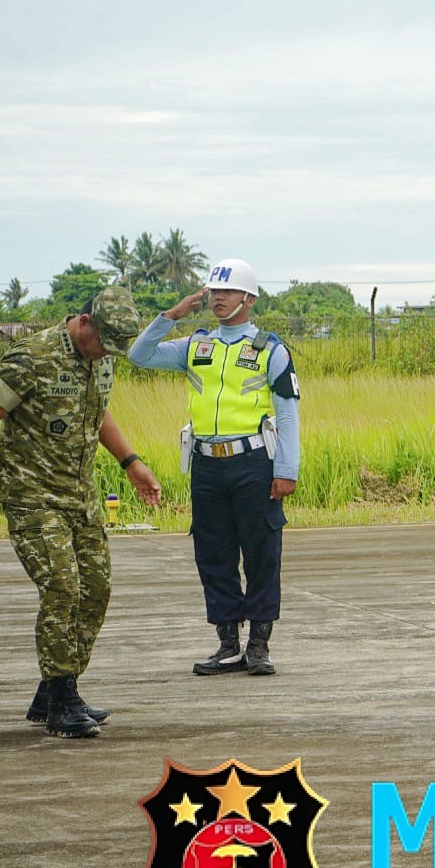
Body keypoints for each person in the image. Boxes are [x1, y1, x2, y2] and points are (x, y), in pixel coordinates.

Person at [0, 287, 160, 737]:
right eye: (103, 342)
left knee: (96, 589)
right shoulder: (31, 356)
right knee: (62, 587)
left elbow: (97, 413)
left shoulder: (101, 357)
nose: (106, 353)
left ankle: (53, 690)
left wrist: (131, 463)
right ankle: (63, 700)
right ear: (84, 322)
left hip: (80, 495)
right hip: (31, 493)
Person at [129, 259, 300, 678]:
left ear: (249, 298)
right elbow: (139, 355)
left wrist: (286, 469)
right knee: (213, 554)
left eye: (228, 291)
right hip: (207, 465)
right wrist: (170, 316)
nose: (218, 298)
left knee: (261, 554)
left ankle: (258, 645)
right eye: (213, 291)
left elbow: (287, 412)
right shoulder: (195, 345)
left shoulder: (270, 349)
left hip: (253, 463)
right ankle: (227, 644)